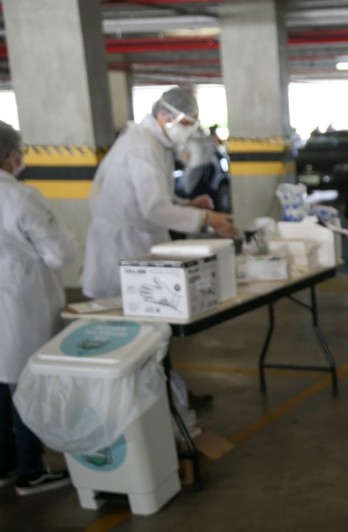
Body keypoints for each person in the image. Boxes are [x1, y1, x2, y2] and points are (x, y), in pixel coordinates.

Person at [81, 87, 239, 299]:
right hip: (124, 245)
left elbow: (151, 194)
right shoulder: (142, 146)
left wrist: (185, 205)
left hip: (140, 236)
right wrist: (209, 218)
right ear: (164, 115)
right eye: (185, 123)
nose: (189, 130)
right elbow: (154, 209)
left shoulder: (156, 143)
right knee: (131, 309)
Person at [0, 121, 75, 496]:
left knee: (0, 383)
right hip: (20, 301)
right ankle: (31, 470)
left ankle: (6, 463)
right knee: (25, 384)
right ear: (11, 156)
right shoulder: (21, 197)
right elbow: (58, 253)